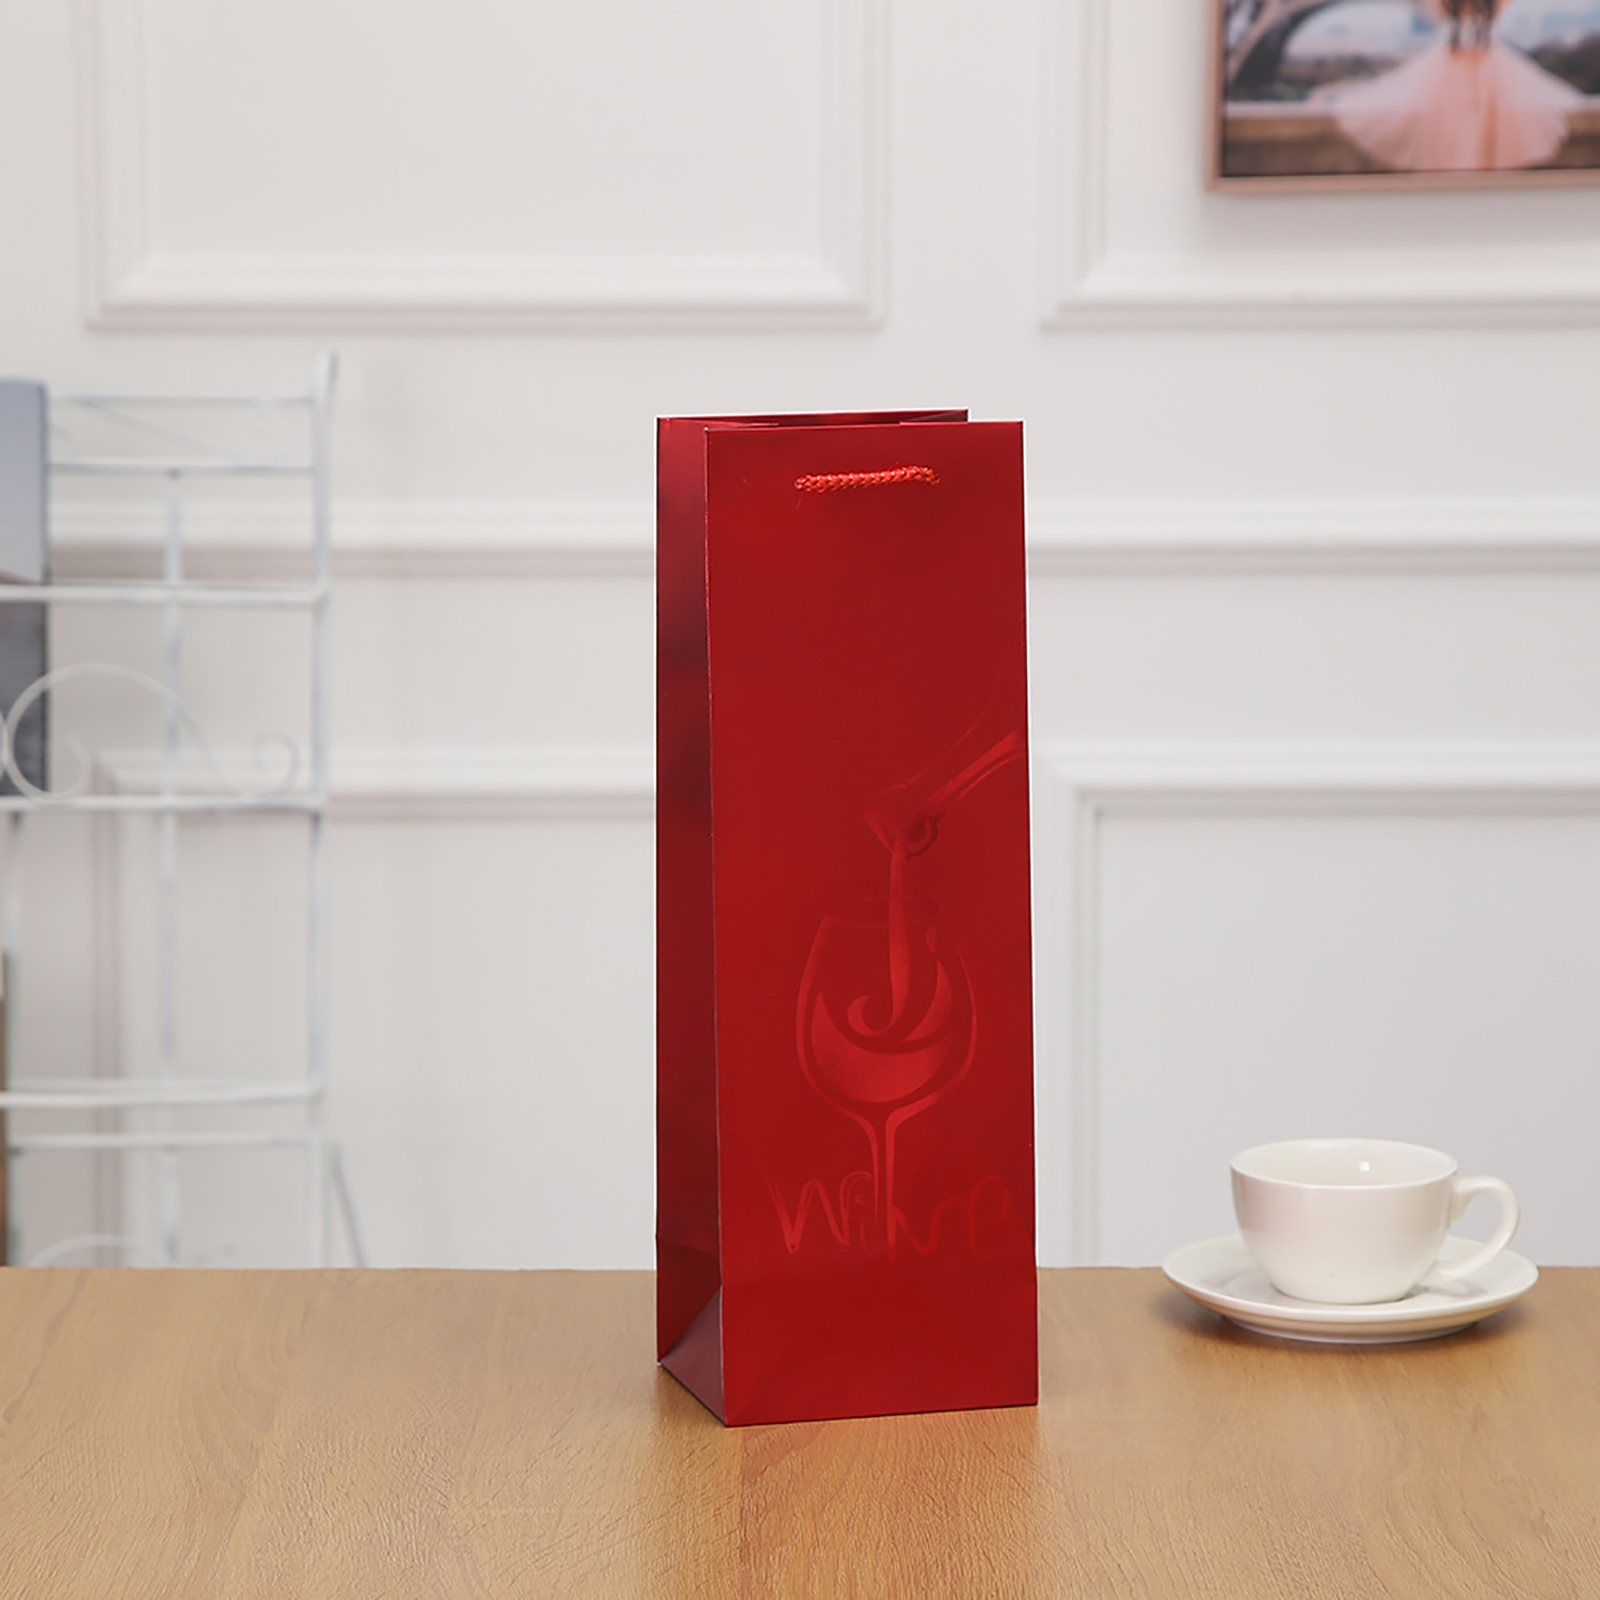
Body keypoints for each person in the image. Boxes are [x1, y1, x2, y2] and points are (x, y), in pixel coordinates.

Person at [1319, 0, 1581, 171]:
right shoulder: (1487, 10)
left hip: (1459, 64)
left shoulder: (1449, 9)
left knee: (1458, 126)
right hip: (1482, 64)